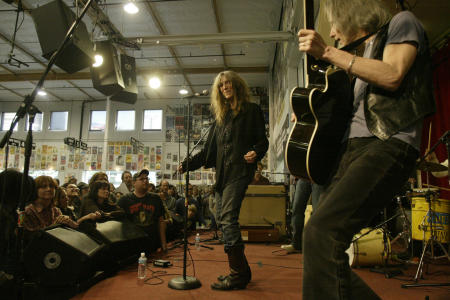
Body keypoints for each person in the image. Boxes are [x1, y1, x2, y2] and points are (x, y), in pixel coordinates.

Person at [297, 1, 435, 299]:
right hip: (354, 149)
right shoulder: (363, 55)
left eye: (334, 24)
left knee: (323, 233)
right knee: (318, 240)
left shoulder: (403, 21)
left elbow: (393, 75)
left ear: (351, 15)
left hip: (388, 143)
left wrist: (329, 53)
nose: (332, 33)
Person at [178, 70, 268, 290]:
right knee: (221, 216)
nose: (225, 87)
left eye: (228, 83)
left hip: (240, 172)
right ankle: (243, 272)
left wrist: (255, 152)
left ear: (237, 85)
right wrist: (187, 164)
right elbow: (208, 151)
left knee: (227, 218)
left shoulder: (252, 110)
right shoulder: (221, 118)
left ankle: (237, 274)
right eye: (221, 85)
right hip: (223, 175)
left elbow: (262, 141)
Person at [23, 176, 98, 232]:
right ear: (35, 190)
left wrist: (68, 222)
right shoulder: (28, 211)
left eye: (51, 186)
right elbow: (32, 238)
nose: (49, 189)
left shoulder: (55, 210)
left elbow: (76, 228)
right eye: (44, 187)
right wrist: (54, 226)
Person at [118, 170, 167, 253]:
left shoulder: (156, 198)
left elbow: (161, 222)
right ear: (134, 183)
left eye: (147, 178)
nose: (145, 181)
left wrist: (163, 244)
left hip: (152, 244)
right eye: (141, 179)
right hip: (132, 245)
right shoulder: (124, 200)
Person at [281, 177, 323, 253]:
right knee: (296, 209)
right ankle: (296, 244)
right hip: (303, 176)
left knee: (318, 212)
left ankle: (318, 246)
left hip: (319, 176)